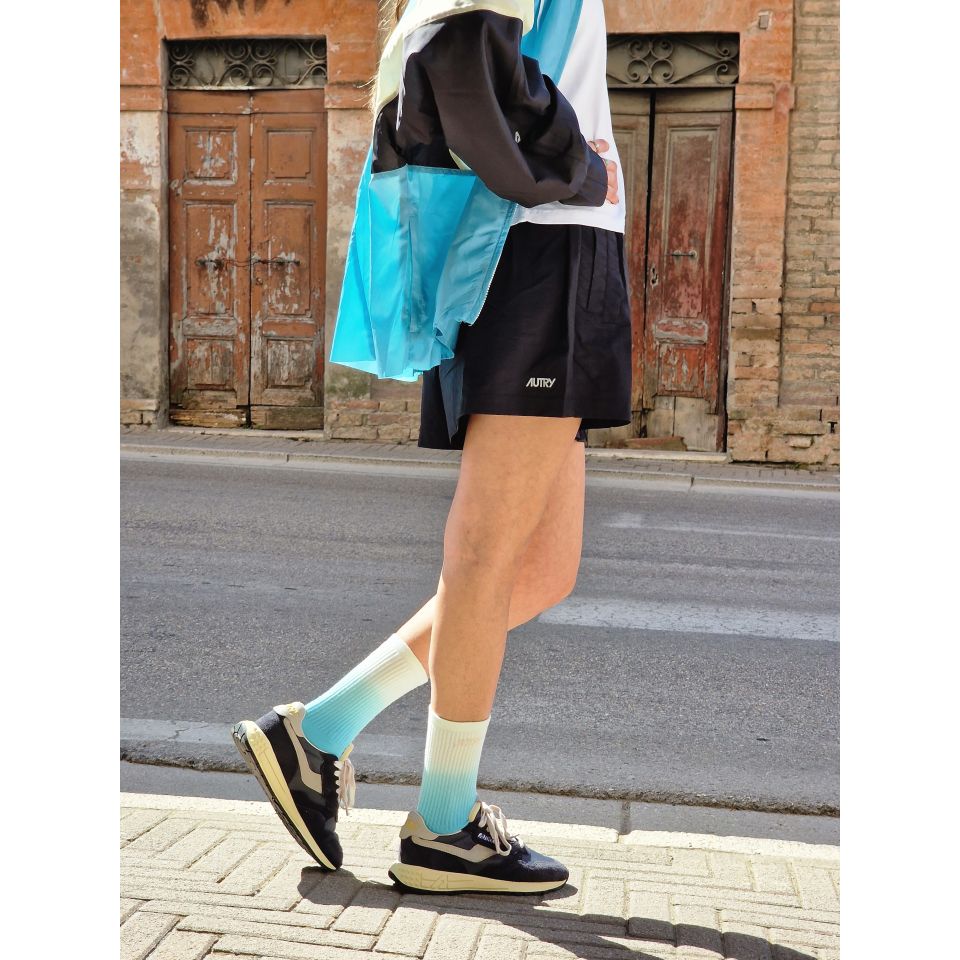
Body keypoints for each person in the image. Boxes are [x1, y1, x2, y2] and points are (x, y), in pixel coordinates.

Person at [233, 0, 631, 895]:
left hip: (562, 247)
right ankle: (445, 827)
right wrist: (568, 166)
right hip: (533, 251)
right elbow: (456, 51)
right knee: (488, 552)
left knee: (541, 569)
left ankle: (316, 735)